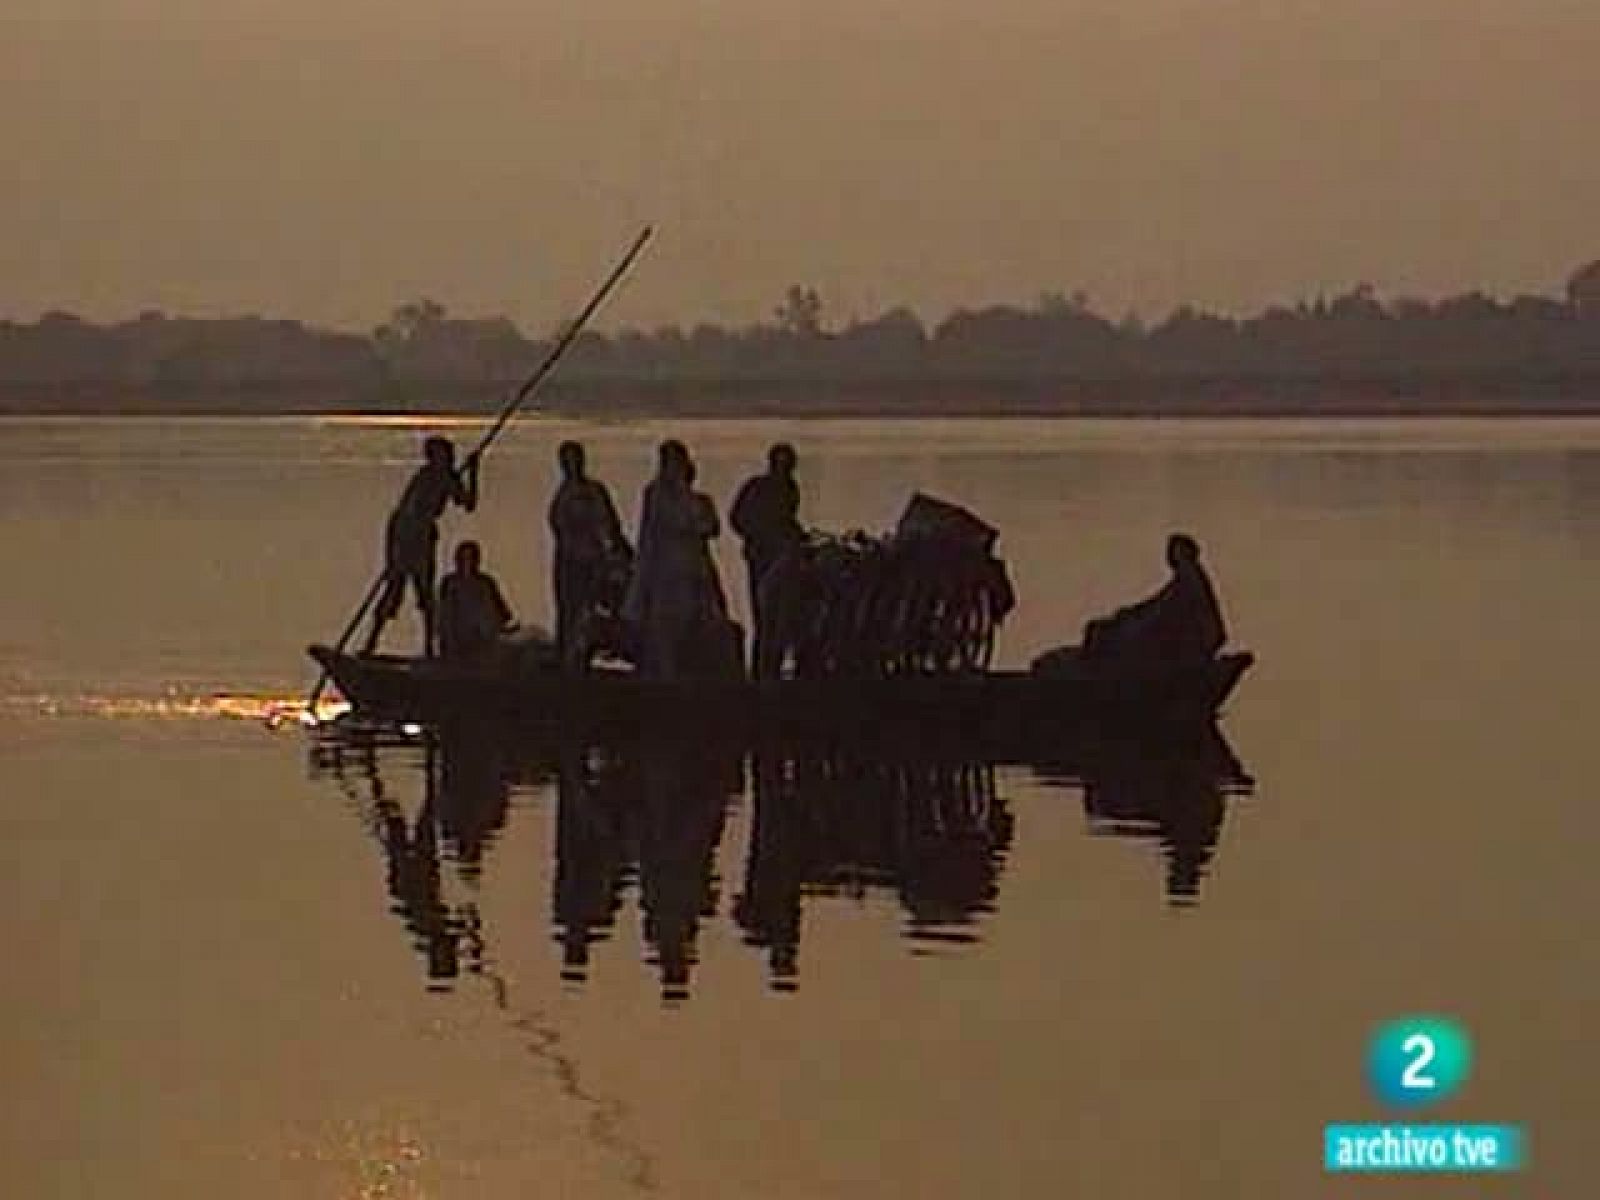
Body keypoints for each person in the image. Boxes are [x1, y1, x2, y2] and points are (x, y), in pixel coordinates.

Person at [363, 435, 479, 657]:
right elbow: (404, 514)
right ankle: (371, 642)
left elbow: (468, 503)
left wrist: (474, 472)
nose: (449, 459)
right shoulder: (424, 477)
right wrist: (394, 554)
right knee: (394, 590)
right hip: (408, 536)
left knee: (425, 594)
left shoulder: (449, 477)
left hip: (424, 537)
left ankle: (429, 648)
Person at [623, 440, 729, 679]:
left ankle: (691, 674)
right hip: (665, 574)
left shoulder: (698, 500)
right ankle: (663, 676)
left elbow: (710, 527)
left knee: (701, 621)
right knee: (664, 628)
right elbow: (675, 523)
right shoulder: (656, 493)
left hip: (694, 570)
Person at [1085, 533, 1227, 668]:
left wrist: (1136, 618)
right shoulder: (1185, 578)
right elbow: (1159, 602)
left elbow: (1165, 607)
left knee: (1119, 633)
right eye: (1173, 550)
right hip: (1177, 632)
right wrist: (1133, 612)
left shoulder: (1190, 577)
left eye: (1179, 550)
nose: (1174, 554)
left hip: (1189, 638)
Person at [547, 440, 631, 666]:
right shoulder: (563, 495)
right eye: (567, 461)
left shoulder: (595, 491)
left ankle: (587, 652)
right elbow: (560, 528)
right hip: (569, 560)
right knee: (569, 608)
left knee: (592, 607)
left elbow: (611, 524)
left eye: (575, 459)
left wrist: (619, 551)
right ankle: (568, 656)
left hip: (593, 561)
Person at [729, 443, 804, 677]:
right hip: (761, 557)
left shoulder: (791, 489)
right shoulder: (756, 487)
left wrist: (796, 536)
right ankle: (761, 670)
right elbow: (737, 518)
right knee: (764, 615)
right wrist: (757, 536)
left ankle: (771, 667)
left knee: (782, 615)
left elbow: (788, 520)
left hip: (784, 557)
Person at [437, 540, 514, 662]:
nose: (467, 562)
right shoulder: (450, 582)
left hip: (483, 635)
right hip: (458, 635)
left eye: (470, 558)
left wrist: (500, 625)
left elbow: (501, 609)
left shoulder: (486, 582)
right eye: (464, 558)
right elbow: (445, 613)